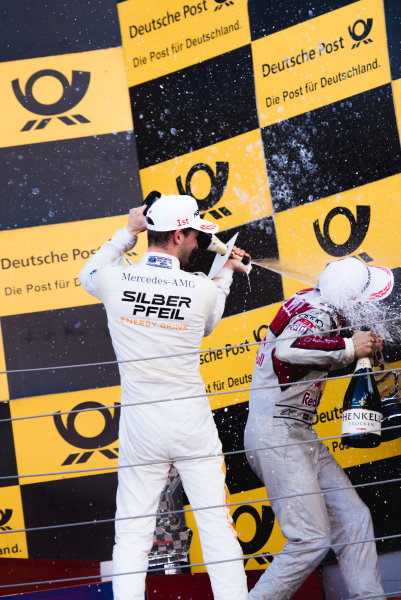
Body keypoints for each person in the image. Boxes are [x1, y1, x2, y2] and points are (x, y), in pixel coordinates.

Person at [79, 194, 250, 600]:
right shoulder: (200, 288)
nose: (198, 243)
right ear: (178, 235)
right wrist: (223, 271)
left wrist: (128, 231)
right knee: (215, 527)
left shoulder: (113, 277)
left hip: (142, 425)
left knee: (133, 534)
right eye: (194, 235)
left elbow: (87, 274)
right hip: (191, 421)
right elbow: (208, 324)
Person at [244, 257, 394, 600]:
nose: (370, 304)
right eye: (366, 298)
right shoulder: (322, 314)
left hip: (296, 433)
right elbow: (289, 348)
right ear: (351, 299)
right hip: (278, 433)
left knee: (354, 518)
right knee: (310, 540)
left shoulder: (316, 300)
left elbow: (306, 352)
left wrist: (354, 347)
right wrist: (349, 346)